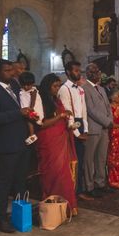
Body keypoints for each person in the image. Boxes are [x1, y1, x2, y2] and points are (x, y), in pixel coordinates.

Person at [0, 59, 31, 233]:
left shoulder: (15, 87)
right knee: (5, 182)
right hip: (8, 143)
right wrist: (18, 113)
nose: (11, 73)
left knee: (21, 181)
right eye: (7, 70)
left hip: (22, 141)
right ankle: (1, 219)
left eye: (12, 69)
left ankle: (19, 215)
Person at [37, 74, 78, 214]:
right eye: (54, 86)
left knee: (64, 174)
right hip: (49, 141)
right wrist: (60, 116)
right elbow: (42, 124)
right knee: (53, 173)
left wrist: (67, 119)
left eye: (58, 86)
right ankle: (52, 206)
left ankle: (65, 207)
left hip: (61, 139)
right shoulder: (41, 100)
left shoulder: (56, 100)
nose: (57, 89)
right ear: (47, 86)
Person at [58, 61, 90, 200]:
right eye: (76, 70)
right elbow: (67, 113)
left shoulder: (80, 89)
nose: (79, 73)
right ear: (68, 72)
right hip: (70, 127)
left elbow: (84, 110)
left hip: (80, 123)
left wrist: (86, 129)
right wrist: (77, 133)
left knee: (81, 160)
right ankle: (73, 191)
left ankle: (79, 190)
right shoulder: (64, 89)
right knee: (73, 161)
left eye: (79, 70)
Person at [82, 63, 114, 198]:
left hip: (104, 128)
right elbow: (91, 109)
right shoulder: (84, 89)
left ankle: (100, 182)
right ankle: (89, 186)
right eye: (95, 71)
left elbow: (108, 106)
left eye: (98, 71)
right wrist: (107, 121)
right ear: (88, 73)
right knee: (89, 159)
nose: (98, 73)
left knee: (101, 157)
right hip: (93, 128)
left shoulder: (100, 88)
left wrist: (110, 119)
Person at [18, 71, 44, 145]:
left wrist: (31, 108)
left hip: (33, 109)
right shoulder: (21, 91)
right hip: (26, 109)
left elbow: (33, 99)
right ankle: (32, 135)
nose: (26, 87)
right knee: (28, 120)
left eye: (28, 85)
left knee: (29, 120)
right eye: (24, 85)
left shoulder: (33, 91)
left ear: (32, 83)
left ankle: (32, 135)